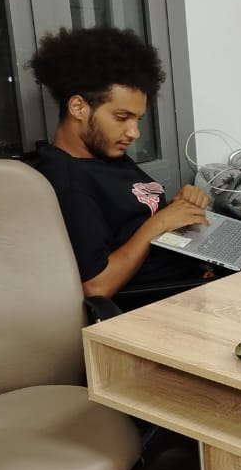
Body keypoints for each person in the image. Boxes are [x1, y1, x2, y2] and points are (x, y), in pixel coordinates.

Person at [27, 26, 215, 300]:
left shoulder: (104, 154)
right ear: (78, 107)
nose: (134, 133)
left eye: (137, 119)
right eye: (122, 117)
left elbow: (135, 215)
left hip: (195, 268)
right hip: (170, 297)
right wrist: (159, 223)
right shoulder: (69, 182)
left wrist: (180, 207)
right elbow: (96, 286)